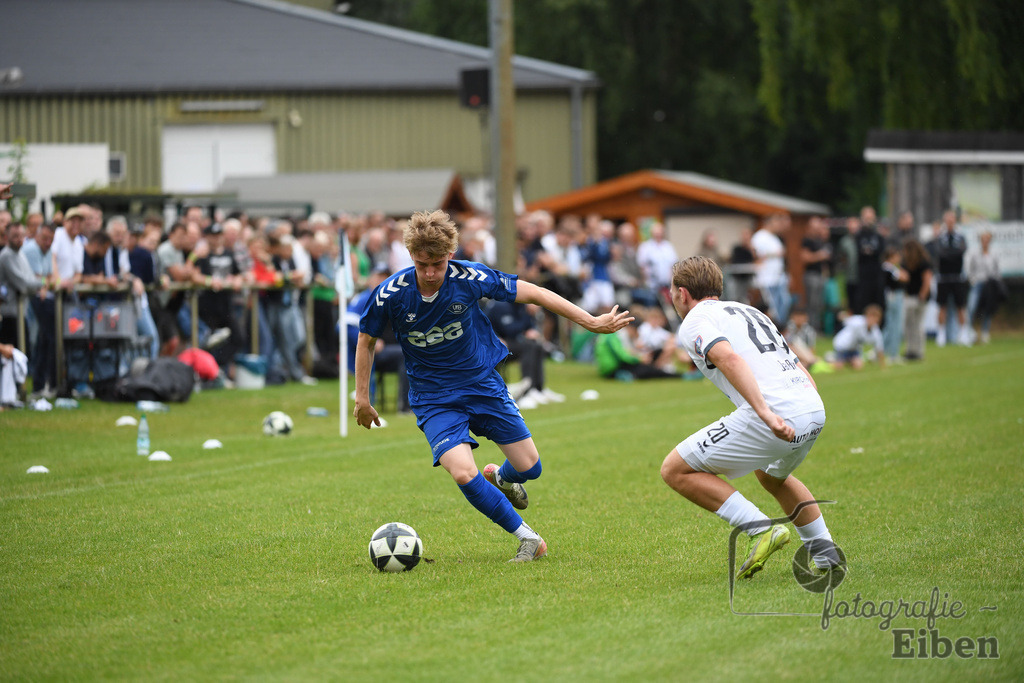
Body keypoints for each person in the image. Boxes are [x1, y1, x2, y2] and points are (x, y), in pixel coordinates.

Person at [354, 210, 632, 562]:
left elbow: (534, 293)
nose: (430, 273)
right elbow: (366, 341)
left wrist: (590, 321)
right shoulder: (390, 293)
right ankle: (528, 538)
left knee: (530, 468)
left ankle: (502, 477)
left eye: (438, 264)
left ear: (450, 255)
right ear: (410, 255)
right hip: (434, 398)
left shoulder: (469, 277)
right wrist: (362, 398)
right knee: (463, 472)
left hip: (482, 385)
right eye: (422, 264)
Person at [659, 255, 842, 580]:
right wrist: (808, 406)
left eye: (672, 291)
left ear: (682, 294)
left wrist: (765, 414)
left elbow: (728, 358)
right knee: (771, 477)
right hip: (813, 407)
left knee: (674, 469)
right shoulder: (749, 310)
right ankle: (827, 555)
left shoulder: (694, 321)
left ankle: (761, 530)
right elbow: (794, 363)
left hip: (776, 412)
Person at [934, 210, 969, 346]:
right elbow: (940, 253)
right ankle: (941, 333)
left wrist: (950, 254)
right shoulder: (940, 237)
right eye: (948, 220)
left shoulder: (960, 237)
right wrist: (952, 254)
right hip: (943, 277)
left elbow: (962, 250)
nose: (950, 222)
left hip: (957, 276)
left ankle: (963, 333)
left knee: (961, 306)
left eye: (952, 220)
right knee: (942, 306)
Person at [751, 213, 791, 325]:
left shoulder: (775, 238)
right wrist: (774, 254)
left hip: (779, 277)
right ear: (769, 222)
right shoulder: (759, 237)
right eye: (776, 221)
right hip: (767, 278)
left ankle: (781, 327)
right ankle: (775, 327)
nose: (778, 225)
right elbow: (757, 256)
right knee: (772, 307)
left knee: (784, 303)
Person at [965, 230, 1001, 344]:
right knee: (971, 307)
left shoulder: (994, 253)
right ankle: (969, 331)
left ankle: (985, 331)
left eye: (987, 239)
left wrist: (994, 282)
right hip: (977, 284)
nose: (985, 241)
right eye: (983, 239)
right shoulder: (974, 252)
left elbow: (997, 270)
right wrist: (972, 280)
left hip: (989, 285)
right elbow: (969, 268)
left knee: (987, 309)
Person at [901, 240, 933, 361]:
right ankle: (910, 350)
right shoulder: (905, 263)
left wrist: (922, 295)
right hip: (910, 296)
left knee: (918, 324)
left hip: (919, 297)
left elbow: (927, 280)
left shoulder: (923, 262)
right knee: (909, 325)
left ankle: (919, 351)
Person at [830, 304, 885, 370]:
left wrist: (883, 366)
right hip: (842, 347)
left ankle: (846, 360)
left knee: (858, 366)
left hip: (854, 349)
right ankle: (831, 358)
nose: (873, 320)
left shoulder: (876, 331)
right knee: (838, 367)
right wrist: (842, 315)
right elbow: (845, 319)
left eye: (875, 318)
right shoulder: (858, 321)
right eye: (871, 317)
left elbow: (879, 349)